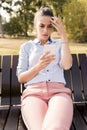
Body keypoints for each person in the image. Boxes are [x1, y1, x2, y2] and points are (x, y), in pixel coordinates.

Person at [17, 7, 73, 130]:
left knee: (55, 128)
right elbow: (21, 78)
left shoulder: (59, 44)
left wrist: (63, 35)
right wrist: (38, 66)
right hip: (33, 94)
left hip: (58, 93)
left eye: (49, 26)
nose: (45, 30)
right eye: (41, 26)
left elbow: (67, 65)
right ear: (35, 26)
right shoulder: (26, 47)